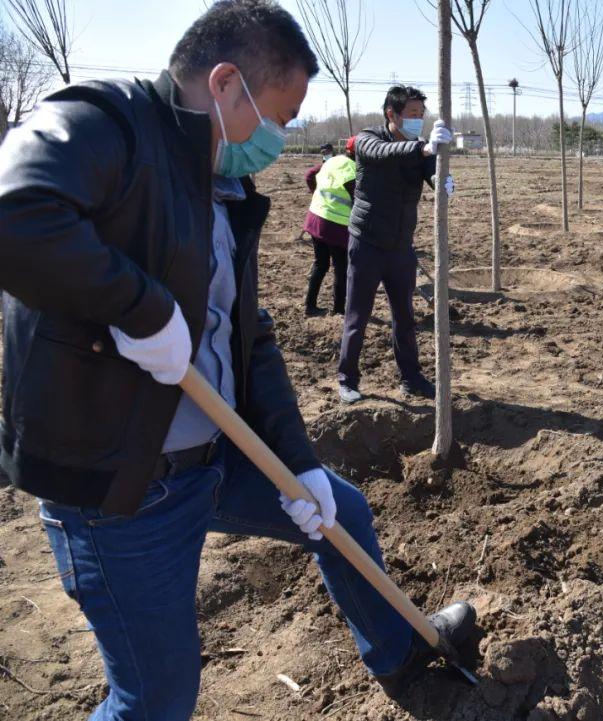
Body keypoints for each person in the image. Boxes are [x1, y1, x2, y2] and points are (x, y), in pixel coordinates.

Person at [0, 3, 474, 718]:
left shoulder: (220, 181)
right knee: (155, 697)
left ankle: (403, 649)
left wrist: (298, 460)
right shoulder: (106, 124)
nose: (277, 139)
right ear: (226, 85)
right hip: (122, 490)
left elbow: (248, 337)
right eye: (276, 115)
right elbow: (16, 213)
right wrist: (138, 307)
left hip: (215, 461)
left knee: (338, 509)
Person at [336, 85, 454, 404]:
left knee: (404, 316)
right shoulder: (367, 139)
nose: (418, 120)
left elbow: (439, 180)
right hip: (367, 243)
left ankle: (411, 378)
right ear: (392, 114)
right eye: (413, 115)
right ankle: (347, 377)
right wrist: (424, 149)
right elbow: (384, 154)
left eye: (421, 115)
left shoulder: (419, 149)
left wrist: (445, 176)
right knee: (357, 315)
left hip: (401, 247)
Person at [302, 138, 355, 316]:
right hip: (336, 227)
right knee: (341, 268)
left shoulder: (333, 160)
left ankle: (310, 306)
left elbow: (310, 175)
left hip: (316, 218)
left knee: (321, 264)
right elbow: (359, 202)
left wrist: (317, 193)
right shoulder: (354, 171)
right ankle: (339, 310)